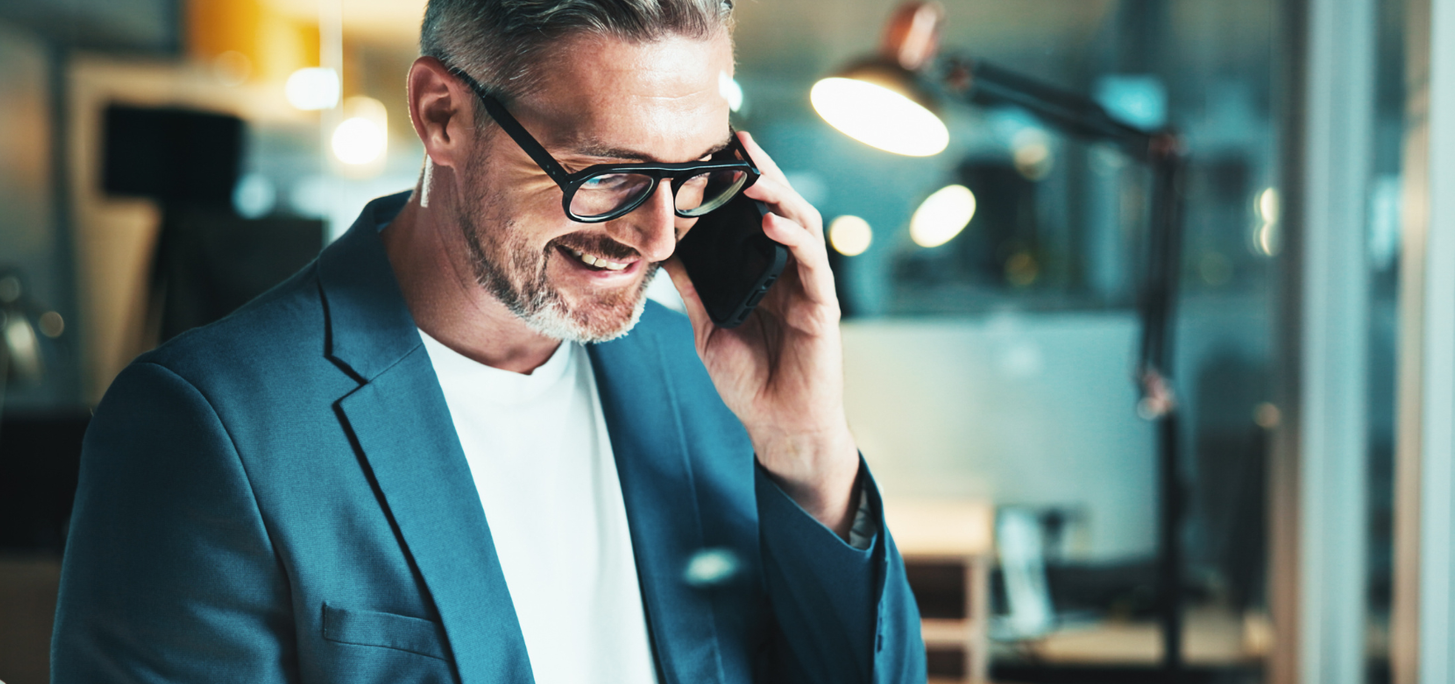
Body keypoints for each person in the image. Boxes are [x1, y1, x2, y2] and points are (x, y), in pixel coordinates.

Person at [50, 1, 926, 682]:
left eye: (696, 175)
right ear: (442, 116)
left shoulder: (697, 376)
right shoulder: (209, 427)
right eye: (608, 173)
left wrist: (806, 446)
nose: (660, 236)